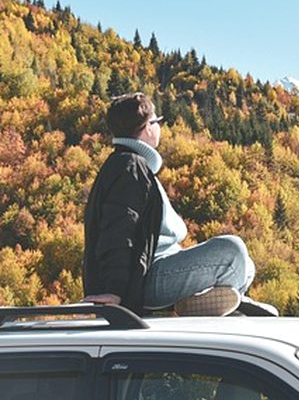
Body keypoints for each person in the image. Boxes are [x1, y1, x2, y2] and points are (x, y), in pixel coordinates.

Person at [82, 92, 278, 317]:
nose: (159, 127)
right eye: (157, 121)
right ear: (148, 127)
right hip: (147, 279)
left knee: (247, 265)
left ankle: (220, 303)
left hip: (157, 270)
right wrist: (113, 291)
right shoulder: (129, 168)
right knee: (232, 250)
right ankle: (232, 308)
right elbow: (118, 230)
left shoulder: (131, 166)